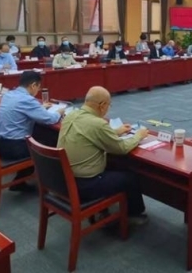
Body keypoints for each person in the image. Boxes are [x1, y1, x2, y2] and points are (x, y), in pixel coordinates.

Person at [57, 86, 150, 224]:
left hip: (61, 179)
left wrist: (116, 132)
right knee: (130, 178)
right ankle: (134, 214)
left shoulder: (71, 115)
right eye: (109, 105)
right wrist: (138, 136)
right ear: (102, 105)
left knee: (114, 166)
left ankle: (109, 209)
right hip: (84, 184)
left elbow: (89, 133)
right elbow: (122, 148)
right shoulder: (98, 123)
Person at [0, 71, 64, 192]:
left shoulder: (8, 94)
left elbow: (22, 109)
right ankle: (52, 185)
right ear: (33, 85)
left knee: (41, 135)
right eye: (38, 87)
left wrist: (40, 109)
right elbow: (49, 119)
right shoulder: (27, 100)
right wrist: (59, 112)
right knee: (50, 144)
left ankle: (20, 181)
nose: (38, 90)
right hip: (15, 148)